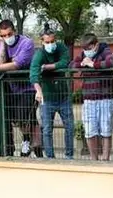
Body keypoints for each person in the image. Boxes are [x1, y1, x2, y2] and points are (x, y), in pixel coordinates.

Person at [0, 20, 42, 158]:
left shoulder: (26, 43)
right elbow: (1, 62)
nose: (7, 37)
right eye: (4, 35)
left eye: (9, 34)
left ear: (14, 31)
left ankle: (31, 142)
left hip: (28, 87)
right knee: (20, 119)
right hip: (12, 88)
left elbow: (16, 65)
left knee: (24, 118)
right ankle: (33, 143)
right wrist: (3, 44)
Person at [71, 33, 113, 161]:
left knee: (106, 130)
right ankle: (94, 159)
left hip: (106, 98)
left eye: (89, 48)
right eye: (84, 49)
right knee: (90, 130)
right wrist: (83, 64)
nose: (87, 51)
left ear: (96, 45)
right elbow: (72, 65)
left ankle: (105, 159)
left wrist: (93, 64)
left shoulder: (105, 50)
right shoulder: (83, 54)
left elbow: (112, 62)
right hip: (89, 99)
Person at [30, 29, 74, 159]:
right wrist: (38, 89)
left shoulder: (61, 48)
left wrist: (47, 67)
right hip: (47, 98)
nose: (51, 44)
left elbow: (65, 62)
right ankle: (50, 157)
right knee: (47, 129)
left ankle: (69, 156)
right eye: (47, 42)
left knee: (70, 127)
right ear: (42, 42)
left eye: (53, 41)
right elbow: (34, 73)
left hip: (63, 96)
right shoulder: (39, 54)